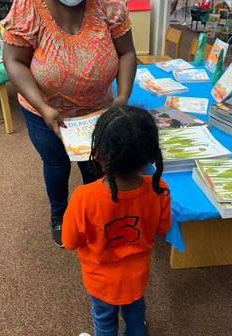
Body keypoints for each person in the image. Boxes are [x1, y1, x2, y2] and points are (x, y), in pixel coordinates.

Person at [2, 0, 137, 247]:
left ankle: (97, 211)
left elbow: (127, 53)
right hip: (44, 110)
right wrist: (44, 107)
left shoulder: (108, 0)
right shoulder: (28, 1)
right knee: (56, 163)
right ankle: (59, 213)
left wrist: (123, 97)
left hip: (97, 110)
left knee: (95, 164)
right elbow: (13, 60)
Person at [62, 105, 171, 336]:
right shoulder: (159, 188)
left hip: (101, 281)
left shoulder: (84, 198)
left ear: (100, 155)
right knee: (136, 317)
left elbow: (70, 241)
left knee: (104, 322)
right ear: (151, 155)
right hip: (137, 277)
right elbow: (163, 228)